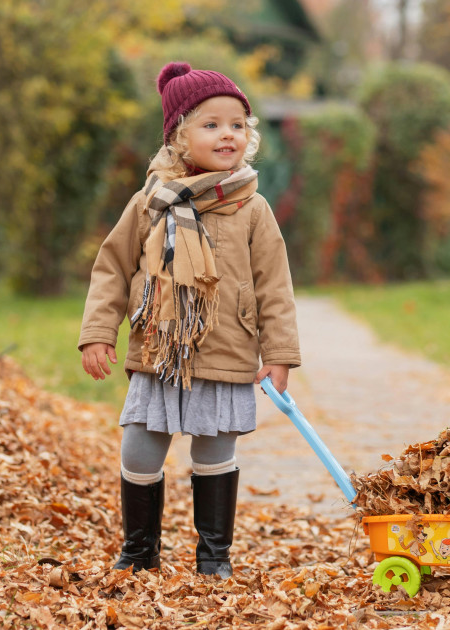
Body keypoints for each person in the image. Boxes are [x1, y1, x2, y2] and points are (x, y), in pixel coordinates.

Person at [78, 61, 301, 579]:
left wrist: (280, 356)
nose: (228, 134)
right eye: (211, 124)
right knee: (139, 443)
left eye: (238, 125)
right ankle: (139, 550)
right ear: (180, 138)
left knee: (215, 451)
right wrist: (97, 333)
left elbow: (274, 286)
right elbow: (111, 269)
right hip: (159, 350)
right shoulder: (149, 204)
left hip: (226, 350)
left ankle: (213, 556)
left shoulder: (252, 208)